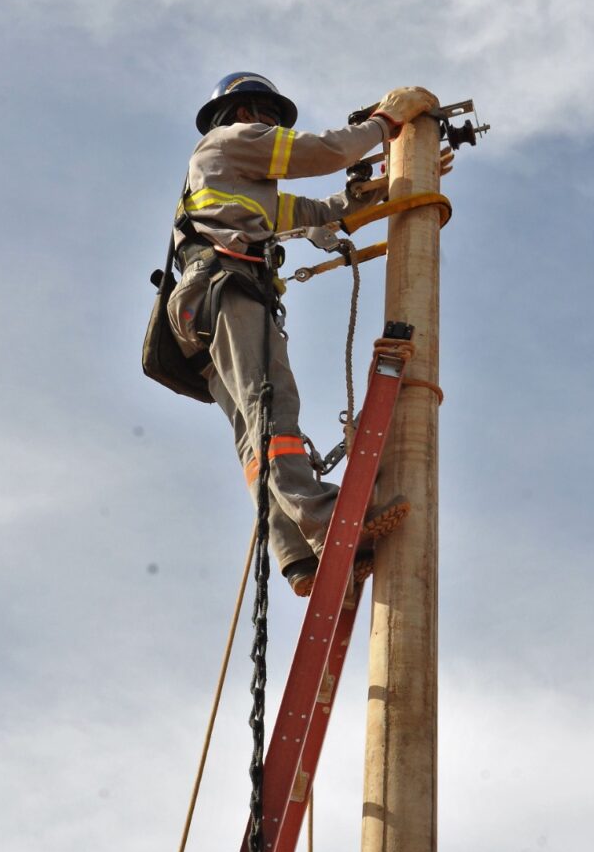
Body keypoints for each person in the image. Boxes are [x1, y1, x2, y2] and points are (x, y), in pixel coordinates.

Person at [167, 73, 442, 595]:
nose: (272, 127)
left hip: (201, 313)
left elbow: (310, 215)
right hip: (227, 291)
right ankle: (328, 520)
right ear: (243, 113)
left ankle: (296, 552)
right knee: (273, 414)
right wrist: (386, 122)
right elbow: (323, 152)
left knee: (255, 433)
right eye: (267, 115)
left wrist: (373, 193)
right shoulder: (231, 142)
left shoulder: (233, 184)